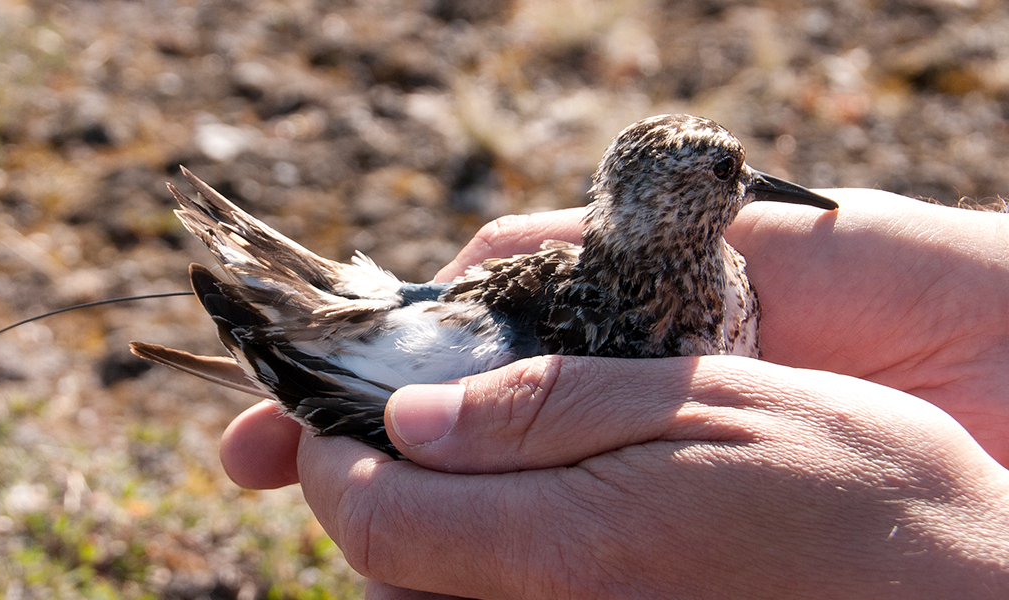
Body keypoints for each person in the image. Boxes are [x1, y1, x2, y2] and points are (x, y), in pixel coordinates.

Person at [218, 189, 1009, 599]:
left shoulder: (717, 268)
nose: (761, 194)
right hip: (405, 373)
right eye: (733, 180)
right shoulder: (698, 275)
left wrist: (964, 561)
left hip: (402, 372)